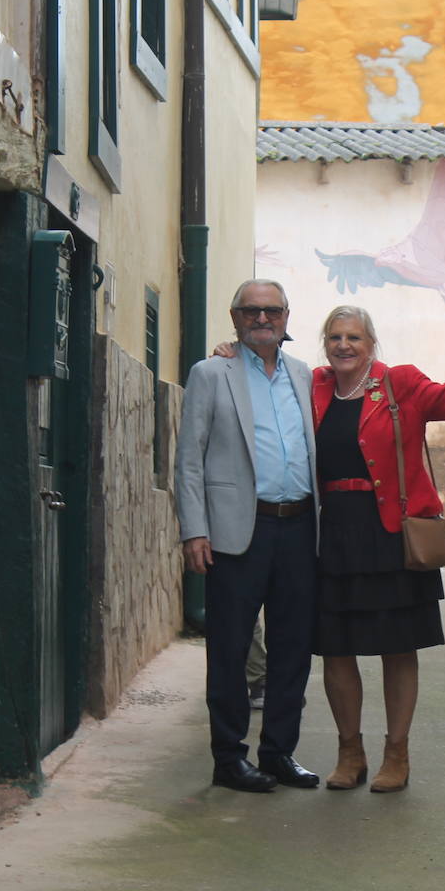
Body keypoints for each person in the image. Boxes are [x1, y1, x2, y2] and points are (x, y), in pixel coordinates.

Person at [220, 306, 445, 791]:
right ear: (325, 344)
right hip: (330, 534)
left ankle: (396, 755)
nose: (344, 345)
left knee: (397, 649)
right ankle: (350, 753)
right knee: (337, 651)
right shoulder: (311, 384)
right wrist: (234, 354)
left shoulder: (399, 382)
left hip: (391, 534)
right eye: (335, 337)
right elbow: (265, 382)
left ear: (371, 343)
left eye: (354, 337)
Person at [176, 279, 321, 793]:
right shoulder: (212, 373)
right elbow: (189, 459)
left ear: (286, 316)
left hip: (301, 528)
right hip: (237, 530)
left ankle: (279, 752)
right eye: (252, 311)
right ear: (234, 317)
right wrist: (194, 529)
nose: (263, 318)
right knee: (231, 648)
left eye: (272, 310)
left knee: (293, 648)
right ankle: (229, 758)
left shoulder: (305, 375)